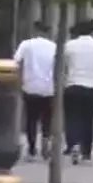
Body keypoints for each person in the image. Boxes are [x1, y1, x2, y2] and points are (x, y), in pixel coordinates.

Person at [62, 20, 93, 165]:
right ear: (92, 31)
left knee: (72, 118)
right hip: (91, 88)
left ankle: (73, 144)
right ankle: (86, 153)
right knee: (88, 120)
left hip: (72, 86)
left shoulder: (69, 46)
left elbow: (61, 67)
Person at [14, 21, 56, 160]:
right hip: (49, 88)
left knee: (31, 119)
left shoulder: (26, 44)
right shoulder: (54, 46)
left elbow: (16, 61)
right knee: (47, 118)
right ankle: (45, 141)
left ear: (35, 30)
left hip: (30, 86)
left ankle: (32, 149)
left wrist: (19, 81)